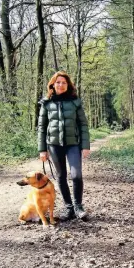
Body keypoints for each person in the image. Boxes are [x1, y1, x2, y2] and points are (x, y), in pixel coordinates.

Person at [38, 71, 90, 221]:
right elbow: (41, 127)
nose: (61, 85)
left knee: (76, 175)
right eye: (58, 82)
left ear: (68, 85)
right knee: (60, 176)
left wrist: (85, 145)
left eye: (64, 83)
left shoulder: (75, 102)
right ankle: (69, 208)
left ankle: (78, 206)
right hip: (54, 145)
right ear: (53, 84)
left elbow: (83, 125)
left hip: (73, 144)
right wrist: (42, 149)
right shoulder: (46, 103)